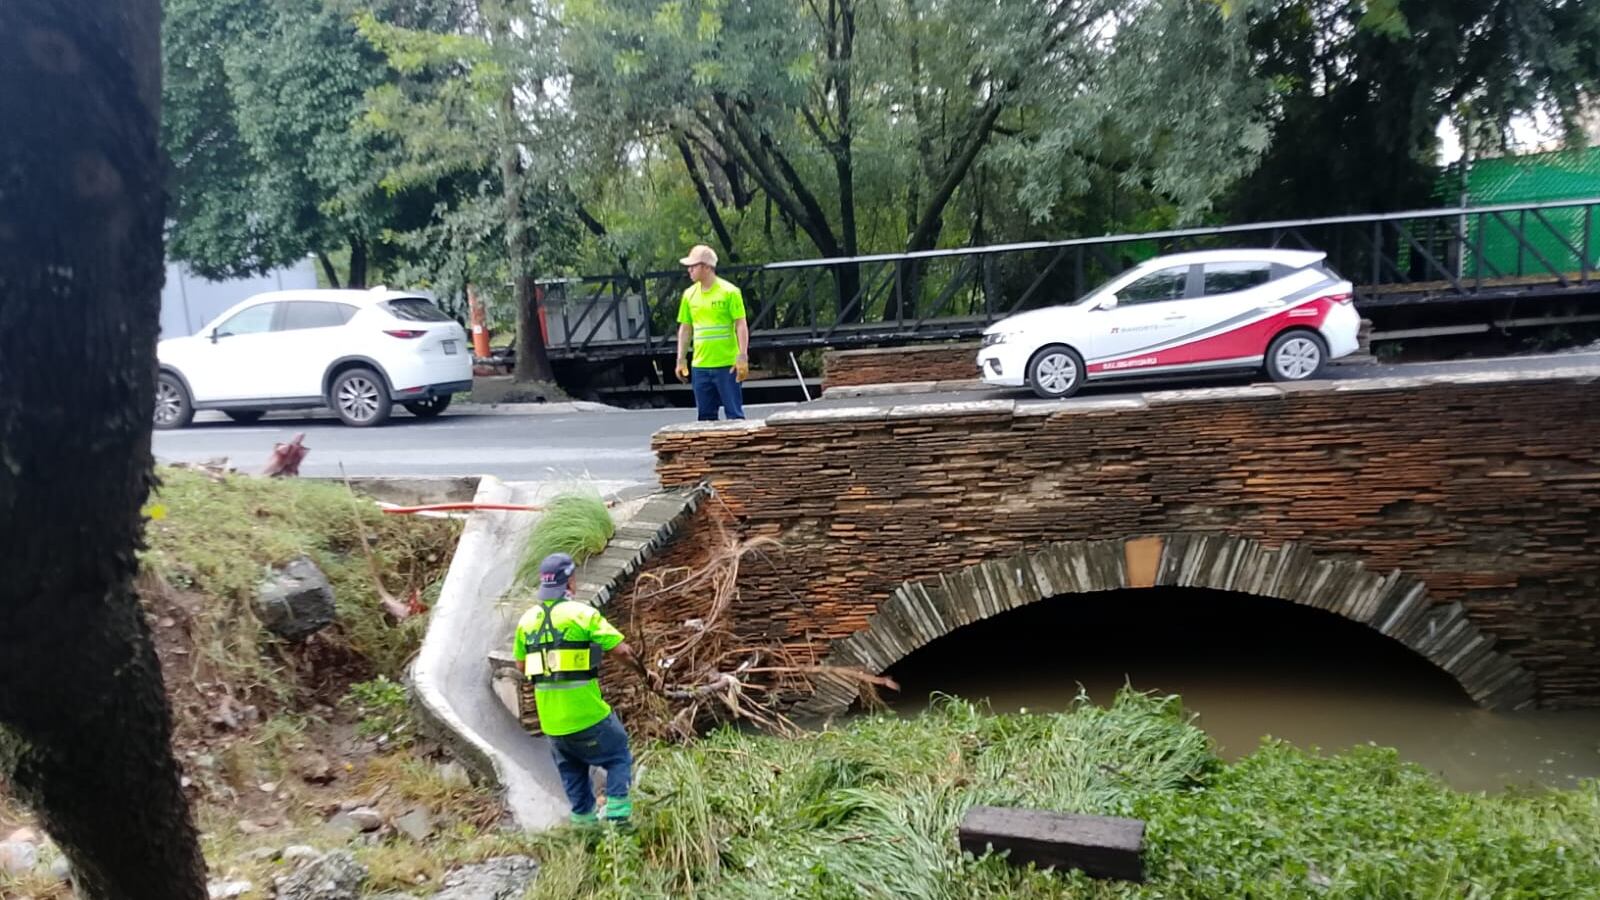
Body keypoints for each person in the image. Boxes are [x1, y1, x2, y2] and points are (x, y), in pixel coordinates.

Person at [513, 552, 639, 825]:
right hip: (588, 716)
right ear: (569, 582)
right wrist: (643, 672)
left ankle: (586, 835)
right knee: (618, 755)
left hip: (553, 725)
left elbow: (522, 666)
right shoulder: (582, 614)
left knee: (575, 777)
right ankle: (620, 828)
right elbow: (622, 652)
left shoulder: (527, 622)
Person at [674, 244, 750, 421]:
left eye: (693, 266)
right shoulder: (689, 295)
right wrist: (681, 359)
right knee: (705, 418)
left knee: (734, 415)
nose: (689, 270)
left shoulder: (729, 292)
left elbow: (741, 324)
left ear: (707, 267)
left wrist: (742, 356)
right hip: (700, 366)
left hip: (727, 365)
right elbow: (686, 329)